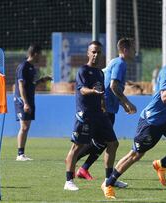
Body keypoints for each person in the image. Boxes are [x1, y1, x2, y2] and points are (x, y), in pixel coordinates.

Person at [101, 43, 166, 199]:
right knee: (135, 155)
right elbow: (165, 97)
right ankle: (108, 183)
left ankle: (162, 164)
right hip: (152, 121)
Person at [75, 38, 137, 188]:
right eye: (134, 49)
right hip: (105, 108)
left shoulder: (118, 63)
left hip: (108, 106)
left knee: (103, 143)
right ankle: (77, 162)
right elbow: (113, 86)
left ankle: (85, 169)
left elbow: (113, 87)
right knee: (106, 142)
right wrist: (127, 102)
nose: (136, 51)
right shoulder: (120, 63)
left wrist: (122, 104)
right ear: (126, 50)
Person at [64, 41, 119, 191]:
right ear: (88, 53)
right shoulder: (83, 70)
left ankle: (109, 179)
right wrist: (93, 91)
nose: (96, 55)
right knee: (77, 146)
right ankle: (68, 181)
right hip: (85, 114)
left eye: (98, 52)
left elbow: (101, 92)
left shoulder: (100, 73)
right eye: (93, 52)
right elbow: (82, 90)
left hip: (99, 115)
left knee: (113, 143)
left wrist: (102, 105)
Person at [14, 44, 52, 161]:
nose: (41, 57)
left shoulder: (31, 67)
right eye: (40, 54)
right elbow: (21, 85)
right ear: (35, 53)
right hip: (22, 101)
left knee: (26, 127)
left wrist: (42, 80)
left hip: (30, 100)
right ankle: (20, 154)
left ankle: (22, 153)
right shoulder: (23, 66)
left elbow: (31, 84)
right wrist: (25, 102)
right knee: (24, 127)